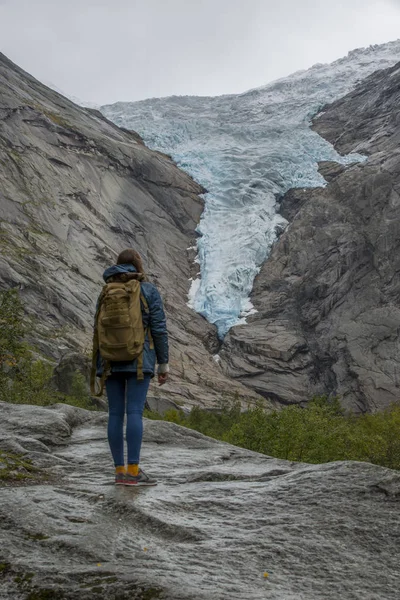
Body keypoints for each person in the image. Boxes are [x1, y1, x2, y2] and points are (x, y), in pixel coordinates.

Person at [94, 249, 169, 486]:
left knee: (115, 413)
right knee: (134, 412)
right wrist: (163, 363)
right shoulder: (147, 290)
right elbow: (158, 328)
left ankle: (119, 472)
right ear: (138, 265)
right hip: (140, 359)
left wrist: (98, 366)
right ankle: (134, 472)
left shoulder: (106, 291)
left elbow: (97, 330)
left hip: (110, 361)